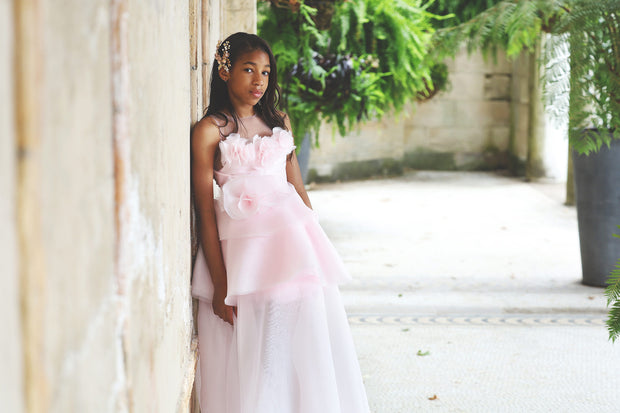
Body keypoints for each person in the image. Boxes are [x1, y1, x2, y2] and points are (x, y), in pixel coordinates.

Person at [191, 32, 370, 413]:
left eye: (266, 72)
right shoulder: (210, 130)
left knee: (299, 341)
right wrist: (221, 281)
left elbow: (298, 189)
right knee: (255, 347)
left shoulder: (278, 120)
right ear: (224, 70)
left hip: (293, 247)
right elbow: (205, 210)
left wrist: (316, 248)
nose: (259, 81)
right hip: (245, 254)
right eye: (248, 69)